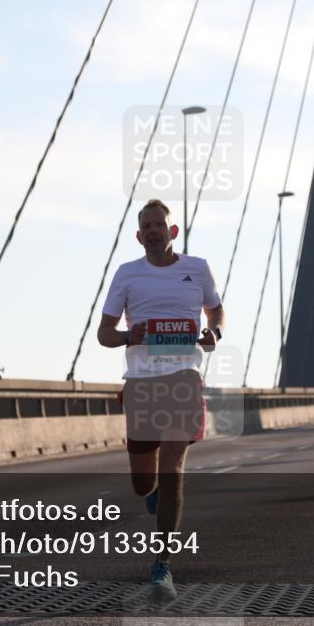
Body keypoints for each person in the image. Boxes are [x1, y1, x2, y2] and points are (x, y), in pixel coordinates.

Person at [98, 199, 224, 603]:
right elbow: (104, 334)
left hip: (184, 378)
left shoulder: (198, 268)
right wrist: (126, 336)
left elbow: (216, 311)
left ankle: (162, 564)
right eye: (147, 226)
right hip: (141, 384)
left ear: (173, 232)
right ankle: (151, 493)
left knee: (172, 470)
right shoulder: (127, 274)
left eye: (160, 225)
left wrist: (215, 333)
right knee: (144, 484)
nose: (154, 230)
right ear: (139, 236)